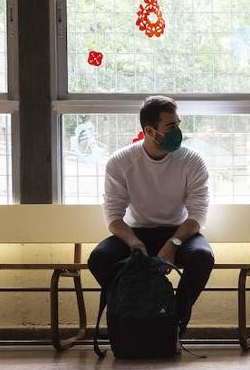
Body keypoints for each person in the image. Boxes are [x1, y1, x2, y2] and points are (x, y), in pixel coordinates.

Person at [88, 95, 213, 338]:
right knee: (99, 259)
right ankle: (135, 311)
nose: (178, 131)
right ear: (149, 130)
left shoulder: (192, 161)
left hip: (180, 231)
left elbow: (198, 215)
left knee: (202, 257)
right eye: (171, 126)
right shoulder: (121, 162)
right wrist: (134, 243)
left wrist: (173, 243)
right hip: (137, 233)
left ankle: (175, 321)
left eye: (178, 124)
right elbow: (113, 217)